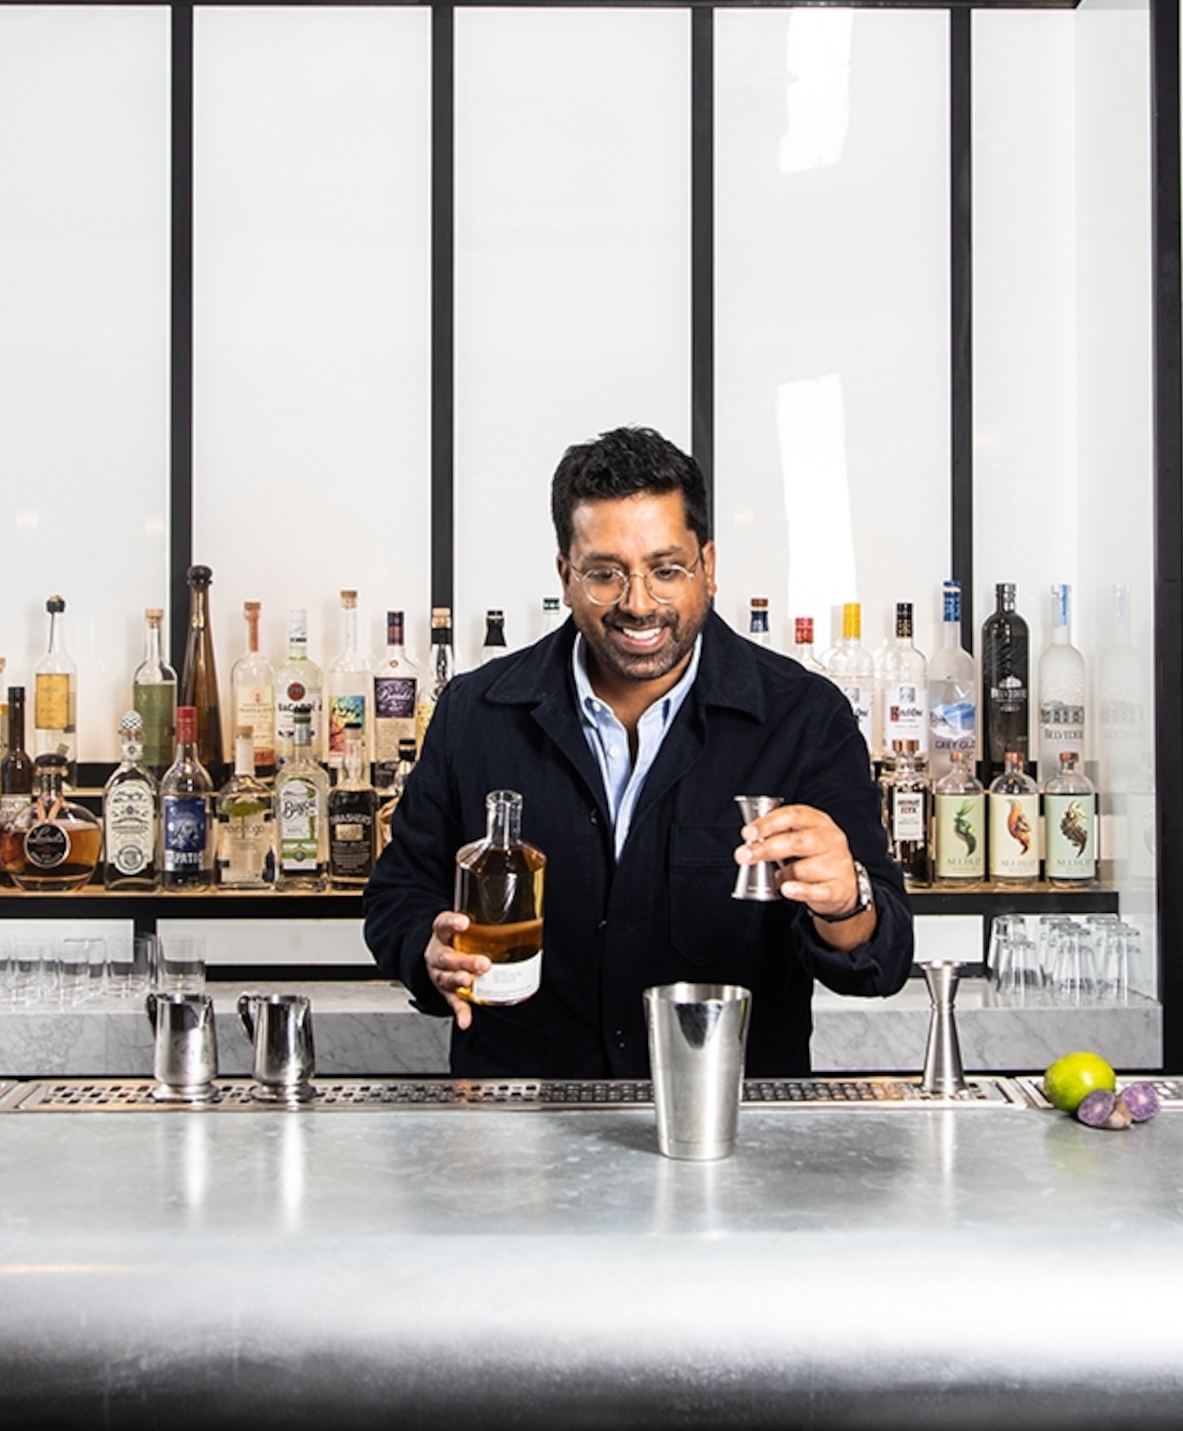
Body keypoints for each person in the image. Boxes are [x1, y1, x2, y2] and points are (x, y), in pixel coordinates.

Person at [365, 424, 913, 1077]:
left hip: (729, 1118)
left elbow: (881, 962)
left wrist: (846, 899)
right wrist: (427, 953)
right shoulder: (476, 713)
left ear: (708, 567)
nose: (639, 603)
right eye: (604, 574)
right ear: (566, 576)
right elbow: (400, 892)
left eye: (666, 570)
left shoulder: (803, 718)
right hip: (520, 1119)